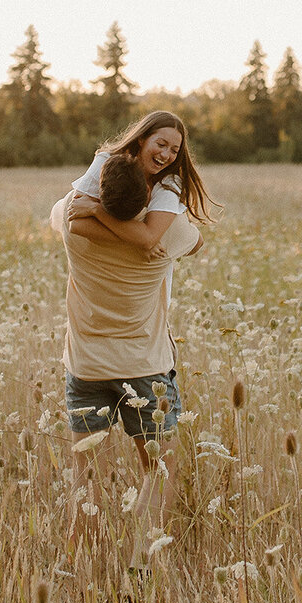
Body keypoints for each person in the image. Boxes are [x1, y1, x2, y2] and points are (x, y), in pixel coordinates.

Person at [51, 149, 205, 566]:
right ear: (147, 200)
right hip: (145, 368)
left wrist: (98, 208)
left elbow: (66, 207)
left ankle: (76, 569)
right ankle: (140, 563)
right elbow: (197, 242)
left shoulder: (71, 223)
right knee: (160, 470)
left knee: (86, 477)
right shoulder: (167, 236)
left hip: (86, 365)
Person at [66, 110, 218, 305]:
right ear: (142, 138)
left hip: (144, 285)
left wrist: (96, 210)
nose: (166, 154)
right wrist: (136, 240)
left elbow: (148, 239)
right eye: (161, 144)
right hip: (102, 276)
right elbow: (77, 225)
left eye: (174, 150)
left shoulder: (170, 184)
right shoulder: (106, 162)